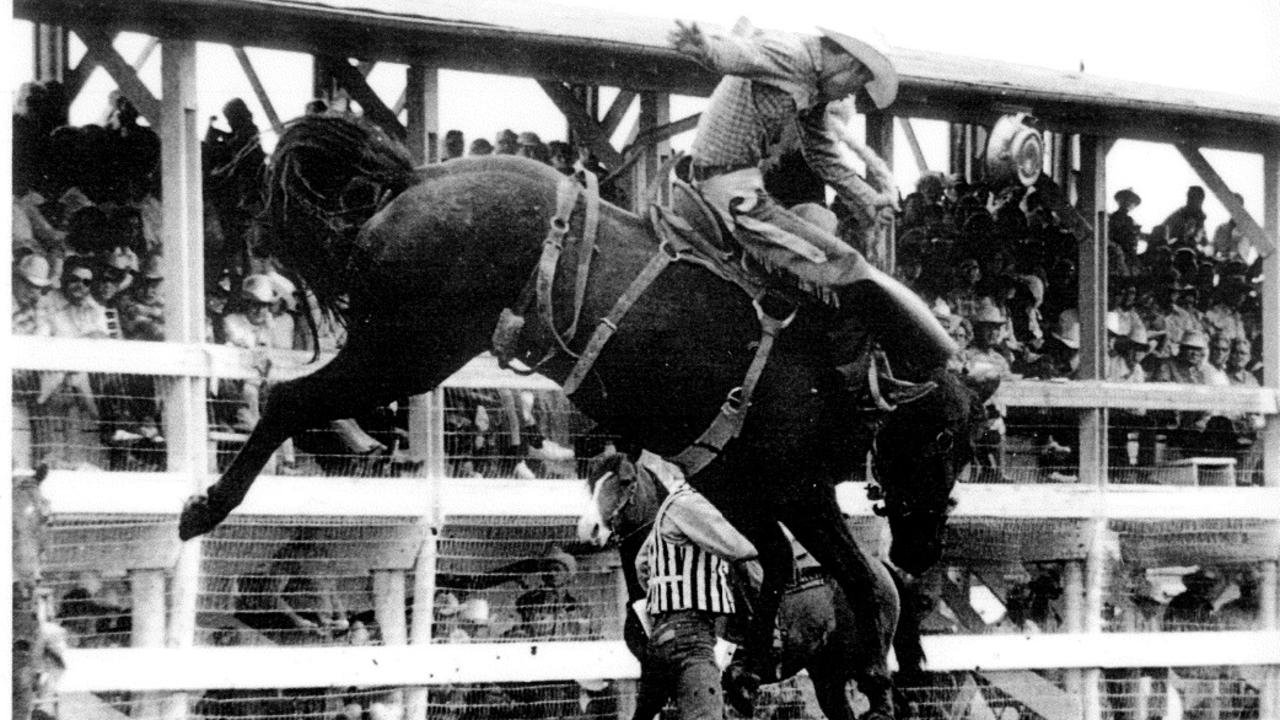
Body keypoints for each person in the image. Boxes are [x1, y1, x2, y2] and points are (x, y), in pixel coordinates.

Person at [668, 18, 951, 370]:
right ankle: (867, 367)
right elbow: (740, 55)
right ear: (849, 63)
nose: (849, 95)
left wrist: (866, 198)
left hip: (737, 185)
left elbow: (821, 153)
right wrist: (706, 48)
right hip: (733, 194)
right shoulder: (792, 54)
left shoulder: (813, 88)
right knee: (844, 263)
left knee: (826, 255)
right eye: (857, 84)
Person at [633, 475, 756, 720]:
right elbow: (743, 548)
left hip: (662, 636)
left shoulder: (672, 503)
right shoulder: (693, 503)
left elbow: (642, 564)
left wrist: (669, 595)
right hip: (692, 637)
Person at [1108, 188, 1142, 264]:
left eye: (1132, 201)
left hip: (1129, 256)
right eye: (1125, 198)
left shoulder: (1131, 221)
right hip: (1115, 254)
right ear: (1119, 200)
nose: (1128, 202)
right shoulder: (1111, 218)